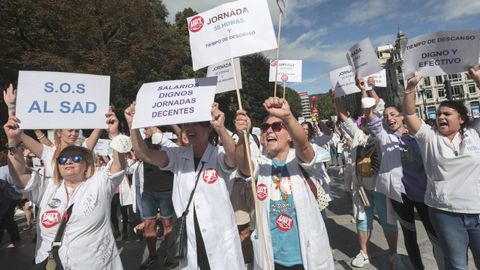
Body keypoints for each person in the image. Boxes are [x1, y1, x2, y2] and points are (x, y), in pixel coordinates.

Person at [125, 102, 246, 270]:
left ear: (208, 128)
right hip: (189, 241)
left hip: (219, 241)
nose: (190, 128)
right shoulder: (178, 155)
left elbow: (234, 159)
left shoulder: (219, 154)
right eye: (187, 124)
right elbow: (145, 154)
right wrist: (133, 125)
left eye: (195, 123)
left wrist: (221, 128)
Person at [5, 111, 127, 269]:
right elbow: (20, 174)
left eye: (76, 158)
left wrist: (115, 134)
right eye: (62, 159)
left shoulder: (100, 183)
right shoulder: (47, 188)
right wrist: (12, 141)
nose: (68, 161)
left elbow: (118, 165)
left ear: (87, 163)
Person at [357, 76, 443, 269]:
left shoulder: (420, 133)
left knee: (435, 235)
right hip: (400, 196)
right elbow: (370, 115)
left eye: (393, 114)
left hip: (425, 194)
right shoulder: (384, 137)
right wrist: (365, 90)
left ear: (403, 116)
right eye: (386, 116)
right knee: (410, 235)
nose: (389, 118)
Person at [239, 97, 334, 269]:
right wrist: (242, 136)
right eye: (264, 128)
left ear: (289, 134)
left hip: (305, 257)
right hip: (271, 259)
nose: (269, 131)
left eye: (276, 126)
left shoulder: (299, 159)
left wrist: (288, 117)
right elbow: (245, 168)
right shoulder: (261, 163)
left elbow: (304, 146)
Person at [402, 66, 480, 269]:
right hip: (445, 213)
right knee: (456, 265)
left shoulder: (475, 133)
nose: (441, 117)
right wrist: (410, 89)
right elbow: (409, 114)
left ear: (462, 119)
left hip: (478, 211)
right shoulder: (429, 137)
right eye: (438, 114)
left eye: (447, 113)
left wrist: (478, 79)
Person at [332, 87, 399, 268]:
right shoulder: (358, 134)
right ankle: (363, 253)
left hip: (382, 188)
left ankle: (394, 254)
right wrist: (336, 99)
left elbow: (375, 108)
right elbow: (345, 118)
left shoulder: (383, 134)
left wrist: (365, 90)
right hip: (362, 189)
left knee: (388, 222)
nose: (364, 122)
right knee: (362, 220)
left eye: (366, 119)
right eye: (362, 120)